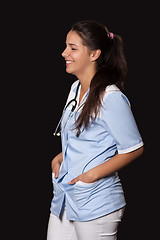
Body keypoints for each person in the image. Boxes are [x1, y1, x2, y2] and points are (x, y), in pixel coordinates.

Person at [47, 20, 144, 240]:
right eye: (66, 46)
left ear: (94, 54)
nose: (64, 53)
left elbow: (134, 148)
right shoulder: (75, 88)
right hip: (65, 199)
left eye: (73, 48)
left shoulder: (110, 97)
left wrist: (91, 175)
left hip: (95, 201)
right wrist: (61, 157)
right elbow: (88, 139)